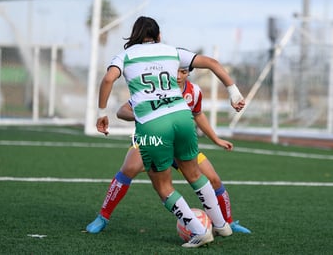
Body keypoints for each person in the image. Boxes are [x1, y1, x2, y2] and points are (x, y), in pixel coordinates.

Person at [95, 16, 245, 248]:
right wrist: (234, 92)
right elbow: (213, 63)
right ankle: (221, 225)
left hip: (153, 125)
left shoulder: (125, 56)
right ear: (159, 36)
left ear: (134, 36)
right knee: (195, 173)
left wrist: (101, 112)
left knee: (163, 185)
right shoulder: (172, 51)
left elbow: (108, 79)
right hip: (182, 117)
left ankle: (199, 230)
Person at [87, 68, 251, 235]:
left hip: (179, 145)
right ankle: (103, 217)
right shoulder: (153, 90)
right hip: (151, 140)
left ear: (189, 73)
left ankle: (227, 222)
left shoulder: (194, 92)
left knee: (213, 178)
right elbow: (122, 111)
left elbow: (198, 114)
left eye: (184, 72)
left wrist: (216, 139)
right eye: (176, 71)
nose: (179, 76)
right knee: (129, 168)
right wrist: (146, 116)